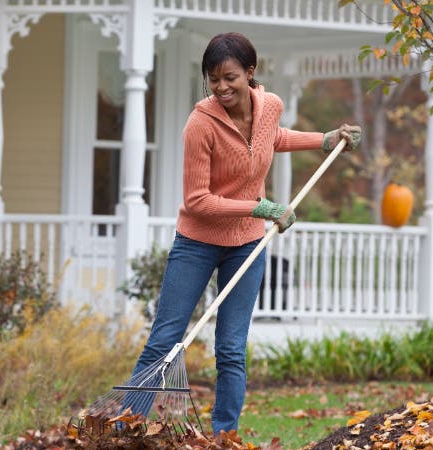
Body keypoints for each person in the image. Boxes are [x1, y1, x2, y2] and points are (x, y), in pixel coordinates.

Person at [125, 32, 361, 435]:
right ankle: (124, 425)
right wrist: (261, 207)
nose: (221, 87)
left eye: (229, 77)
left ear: (250, 73)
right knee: (164, 338)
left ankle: (223, 436)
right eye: (212, 79)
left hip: (247, 244)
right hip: (197, 242)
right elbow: (198, 200)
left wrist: (323, 140)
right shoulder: (200, 124)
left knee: (231, 348)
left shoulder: (270, 107)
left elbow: (269, 139)